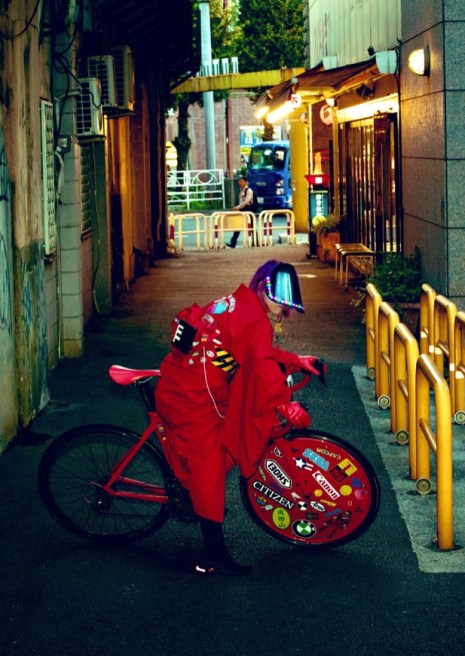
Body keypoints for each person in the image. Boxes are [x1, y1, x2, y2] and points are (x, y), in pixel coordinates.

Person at [154, 260, 321, 576]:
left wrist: (294, 360)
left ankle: (194, 497)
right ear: (262, 288)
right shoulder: (255, 320)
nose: (281, 308)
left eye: (286, 303)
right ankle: (211, 554)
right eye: (278, 300)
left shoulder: (239, 304)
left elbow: (251, 354)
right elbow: (260, 363)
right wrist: (284, 404)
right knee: (209, 471)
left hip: (187, 384)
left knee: (224, 441)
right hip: (192, 398)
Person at [227, 176, 255, 248]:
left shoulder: (249, 191)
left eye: (241, 181)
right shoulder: (240, 190)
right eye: (239, 181)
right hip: (242, 209)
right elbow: (241, 201)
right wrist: (238, 208)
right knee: (237, 226)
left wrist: (237, 207)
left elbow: (246, 202)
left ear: (246, 182)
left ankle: (255, 242)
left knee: (251, 227)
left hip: (249, 210)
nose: (240, 183)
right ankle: (233, 243)